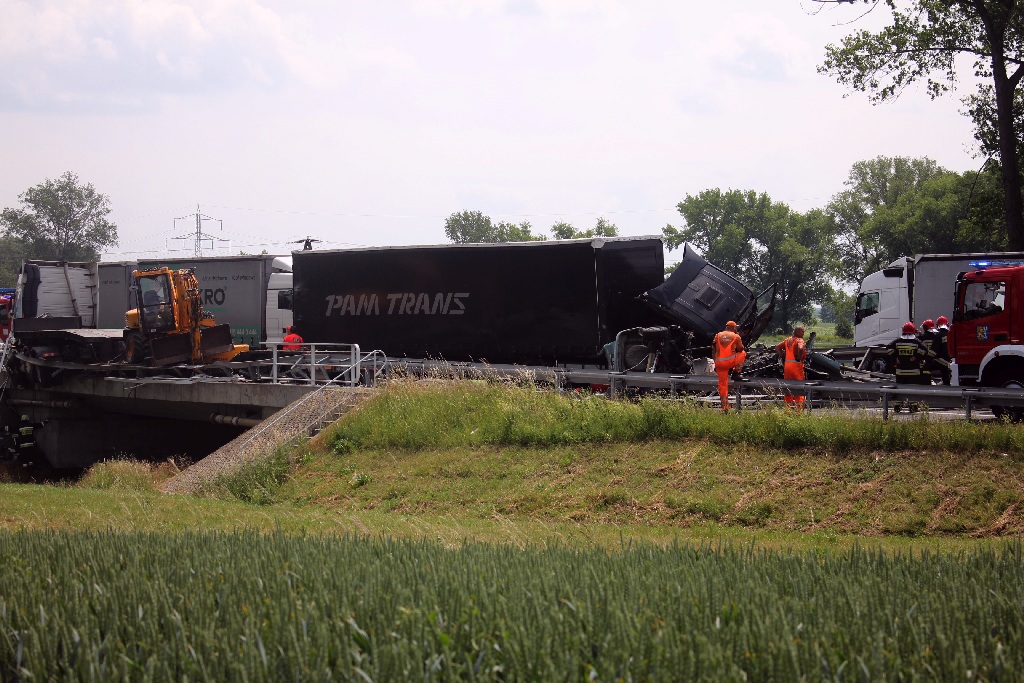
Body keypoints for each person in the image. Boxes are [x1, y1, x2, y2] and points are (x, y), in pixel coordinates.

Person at [713, 321, 746, 412]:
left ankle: (725, 408)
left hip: (719, 363)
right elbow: (741, 349)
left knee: (722, 385)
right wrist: (738, 339)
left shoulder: (718, 335)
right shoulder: (736, 336)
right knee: (743, 353)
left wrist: (715, 362)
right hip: (730, 362)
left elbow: (713, 349)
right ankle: (736, 372)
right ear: (733, 328)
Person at [775, 325, 807, 410]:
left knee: (788, 388)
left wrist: (783, 355)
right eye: (802, 332)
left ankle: (788, 409)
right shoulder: (799, 340)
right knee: (799, 387)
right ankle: (799, 410)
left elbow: (777, 347)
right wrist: (799, 358)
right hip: (796, 367)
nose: (803, 333)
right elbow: (800, 348)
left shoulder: (787, 340)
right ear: (797, 332)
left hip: (787, 367)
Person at [933, 316, 952, 385]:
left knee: (926, 367)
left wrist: (928, 359)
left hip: (942, 360)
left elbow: (934, 351)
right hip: (951, 359)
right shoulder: (951, 334)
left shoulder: (938, 335)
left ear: (937, 325)